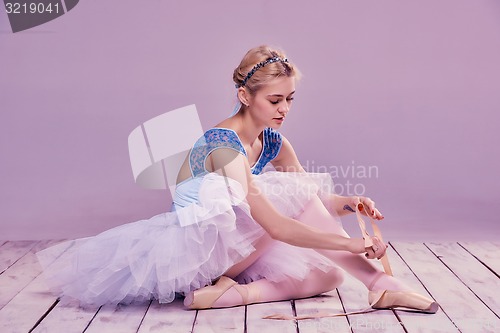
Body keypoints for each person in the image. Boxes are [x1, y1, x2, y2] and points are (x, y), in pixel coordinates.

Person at [36, 45, 438, 314]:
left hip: (240, 247)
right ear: (245, 97)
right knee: (320, 236)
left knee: (331, 274)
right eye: (274, 100)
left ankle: (233, 294)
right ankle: (381, 285)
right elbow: (277, 223)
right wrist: (349, 242)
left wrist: (351, 203)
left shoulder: (274, 142)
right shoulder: (222, 145)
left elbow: (315, 201)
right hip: (198, 249)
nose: (284, 109)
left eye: (289, 99)